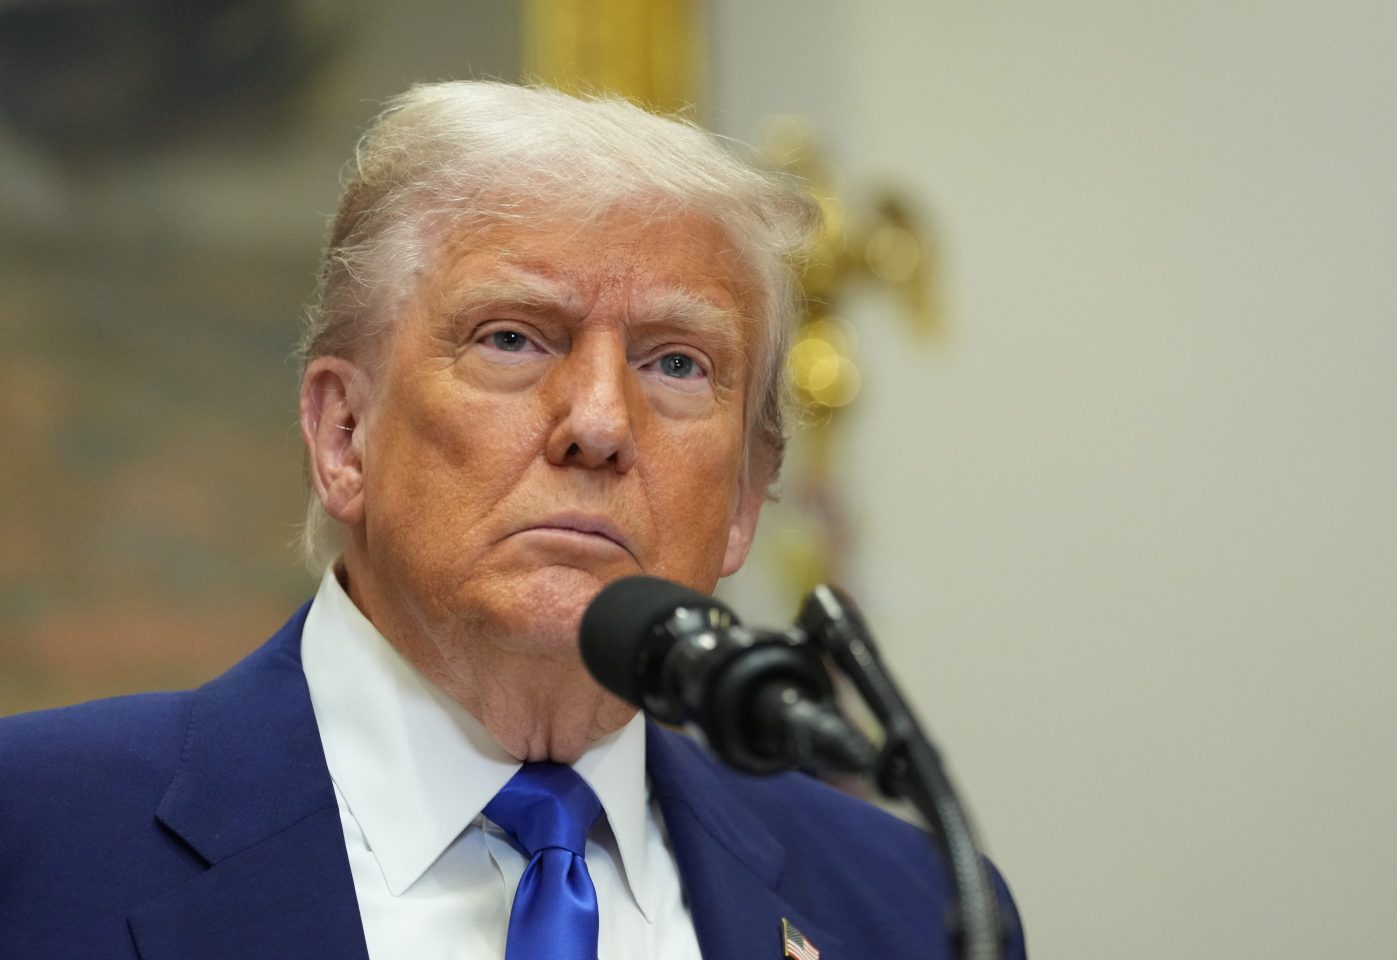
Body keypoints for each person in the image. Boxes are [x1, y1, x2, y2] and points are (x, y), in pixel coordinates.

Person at [0, 81, 1025, 959]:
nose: (600, 422)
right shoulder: (34, 838)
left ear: (746, 498)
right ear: (344, 435)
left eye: (677, 363)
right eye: (513, 339)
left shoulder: (906, 909)